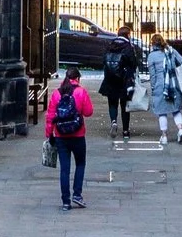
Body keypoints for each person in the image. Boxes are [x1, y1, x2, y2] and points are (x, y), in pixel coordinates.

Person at [48, 66, 93, 207]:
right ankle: (77, 195)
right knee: (80, 164)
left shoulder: (56, 94)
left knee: (64, 169)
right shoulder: (81, 92)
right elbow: (88, 112)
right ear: (78, 78)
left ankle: (65, 201)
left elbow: (50, 116)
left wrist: (49, 134)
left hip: (61, 135)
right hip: (78, 134)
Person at [146, 29, 182, 147]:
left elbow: (153, 75)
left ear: (152, 44)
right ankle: (180, 130)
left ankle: (164, 136)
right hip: (173, 84)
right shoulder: (171, 51)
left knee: (162, 112)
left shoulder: (151, 56)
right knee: (176, 109)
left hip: (161, 86)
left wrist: (153, 87)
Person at [100, 38, 138, 142]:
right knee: (125, 106)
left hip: (110, 79)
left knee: (112, 103)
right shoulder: (128, 47)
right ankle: (125, 131)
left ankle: (113, 121)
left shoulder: (110, 45)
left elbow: (103, 61)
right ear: (127, 35)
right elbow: (134, 64)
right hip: (124, 80)